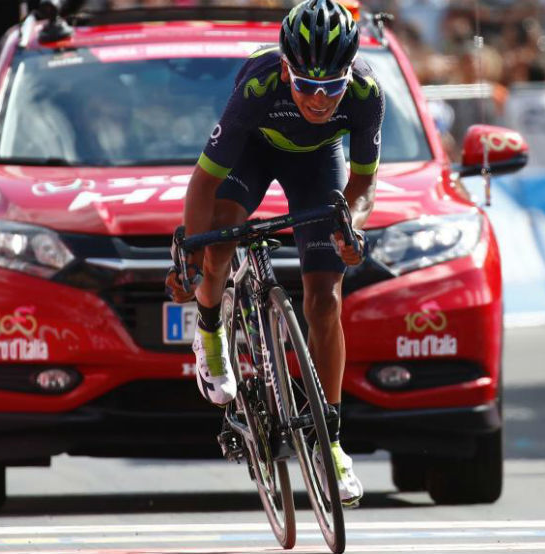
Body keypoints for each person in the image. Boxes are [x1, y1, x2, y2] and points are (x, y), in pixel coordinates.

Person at [165, 0, 384, 508]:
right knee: (220, 235)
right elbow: (203, 184)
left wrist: (351, 228)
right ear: (286, 70)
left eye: (332, 88)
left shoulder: (366, 91)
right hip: (254, 153)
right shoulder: (259, 84)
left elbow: (364, 185)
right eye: (306, 85)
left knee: (325, 298)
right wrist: (192, 258)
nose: (319, 99)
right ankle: (210, 332)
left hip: (319, 162)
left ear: (349, 74)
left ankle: (330, 445)